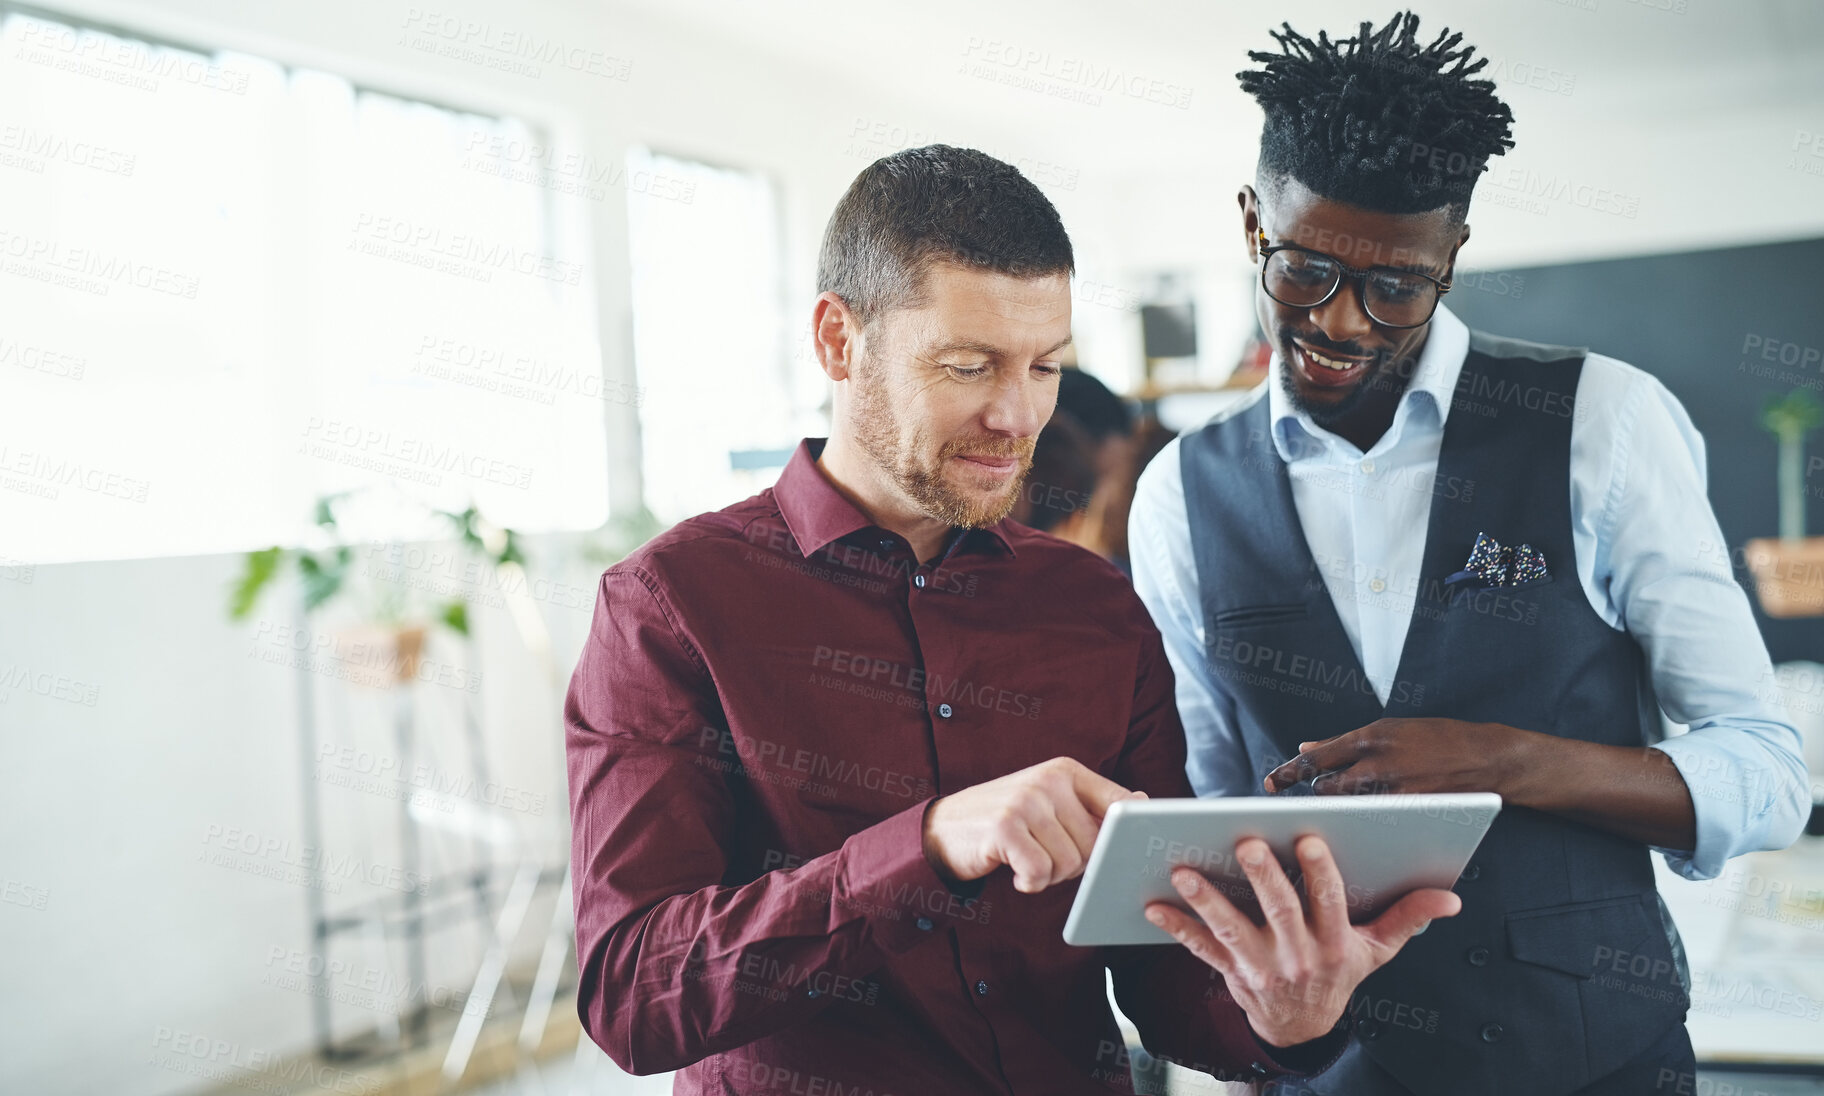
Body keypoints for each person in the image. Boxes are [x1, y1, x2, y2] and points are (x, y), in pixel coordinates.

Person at [564, 144, 1460, 1095]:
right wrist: (929, 844)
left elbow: (1160, 967)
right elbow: (633, 994)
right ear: (838, 340)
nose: (1018, 413)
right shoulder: (671, 607)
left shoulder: (1095, 609)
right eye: (967, 366)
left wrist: (1279, 1016)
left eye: (1045, 367)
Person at [1129, 13, 1812, 1096]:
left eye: (1397, 286)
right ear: (1252, 222)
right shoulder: (1179, 493)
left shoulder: (1604, 422)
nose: (1343, 323)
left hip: (1600, 1064)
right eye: (1304, 270)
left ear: (1451, 257)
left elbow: (1772, 772)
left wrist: (1504, 761)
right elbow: (1215, 813)